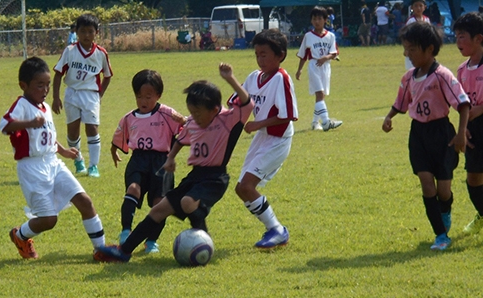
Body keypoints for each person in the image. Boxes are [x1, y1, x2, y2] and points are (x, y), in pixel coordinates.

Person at [94, 63, 254, 263]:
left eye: (197, 113)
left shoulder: (227, 120)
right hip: (194, 176)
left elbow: (248, 104)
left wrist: (230, 78)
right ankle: (124, 251)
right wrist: (170, 158)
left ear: (214, 109)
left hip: (215, 178)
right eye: (191, 112)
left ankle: (204, 240)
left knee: (187, 202)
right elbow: (180, 141)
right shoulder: (195, 123)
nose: (193, 117)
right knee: (158, 209)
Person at [0, 56, 106, 260]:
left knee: (84, 201)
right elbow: (4, 126)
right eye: (40, 85)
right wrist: (29, 122)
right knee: (49, 220)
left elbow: (47, 138)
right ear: (24, 85)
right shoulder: (22, 105)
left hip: (53, 163)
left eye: (48, 84)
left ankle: (101, 250)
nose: (46, 89)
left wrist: (64, 151)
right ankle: (19, 235)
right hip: (32, 168)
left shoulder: (45, 108)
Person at [382, 22, 470, 251]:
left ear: (429, 49)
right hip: (418, 134)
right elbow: (402, 103)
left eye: (411, 49)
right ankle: (440, 235)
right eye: (405, 48)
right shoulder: (408, 78)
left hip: (442, 135)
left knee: (443, 190)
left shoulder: (442, 76)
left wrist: (461, 135)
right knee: (426, 183)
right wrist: (389, 116)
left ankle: (445, 208)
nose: (406, 54)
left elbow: (462, 104)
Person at [110, 69, 186, 253]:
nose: (143, 101)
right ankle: (126, 231)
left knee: (160, 203)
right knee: (133, 189)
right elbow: (119, 136)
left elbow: (187, 128)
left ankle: (151, 242)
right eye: (139, 97)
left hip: (161, 163)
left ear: (158, 95)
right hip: (138, 160)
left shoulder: (167, 114)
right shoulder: (129, 118)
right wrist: (114, 150)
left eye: (148, 97)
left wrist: (183, 120)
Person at [237, 29, 298, 249]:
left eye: (264, 54)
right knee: (241, 189)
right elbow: (237, 102)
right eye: (257, 54)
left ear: (280, 55)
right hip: (262, 138)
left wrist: (256, 124)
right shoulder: (254, 77)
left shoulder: (281, 78)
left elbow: (288, 115)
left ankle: (277, 230)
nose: (260, 59)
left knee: (247, 186)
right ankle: (275, 229)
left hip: (278, 139)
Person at [52, 13, 112, 178]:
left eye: (90, 31)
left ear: (96, 32)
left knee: (92, 128)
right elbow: (58, 74)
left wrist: (99, 95)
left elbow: (107, 76)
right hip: (72, 93)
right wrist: (55, 98)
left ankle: (93, 166)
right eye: (83, 31)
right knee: (73, 131)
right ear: (76, 32)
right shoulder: (70, 51)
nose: (87, 35)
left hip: (91, 95)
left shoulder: (101, 53)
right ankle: (78, 159)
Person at [454, 12, 483, 234]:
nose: (458, 42)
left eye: (462, 37)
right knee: (473, 178)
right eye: (456, 36)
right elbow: (462, 104)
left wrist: (479, 110)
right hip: (474, 130)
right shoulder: (462, 70)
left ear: (478, 38)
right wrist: (464, 128)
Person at [296, 6, 342, 132]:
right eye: (314, 19)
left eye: (320, 18)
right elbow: (303, 55)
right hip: (314, 66)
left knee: (321, 96)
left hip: (326, 67)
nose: (317, 21)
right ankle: (326, 122)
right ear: (311, 21)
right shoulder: (308, 36)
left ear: (325, 20)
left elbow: (335, 52)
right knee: (319, 94)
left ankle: (315, 122)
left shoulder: (330, 36)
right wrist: (299, 69)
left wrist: (326, 57)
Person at [405, 0, 431, 69]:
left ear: (424, 7)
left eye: (420, 6)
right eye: (416, 6)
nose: (418, 8)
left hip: (424, 47)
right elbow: (406, 36)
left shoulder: (427, 20)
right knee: (412, 68)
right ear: (412, 8)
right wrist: (406, 49)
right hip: (413, 47)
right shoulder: (411, 21)